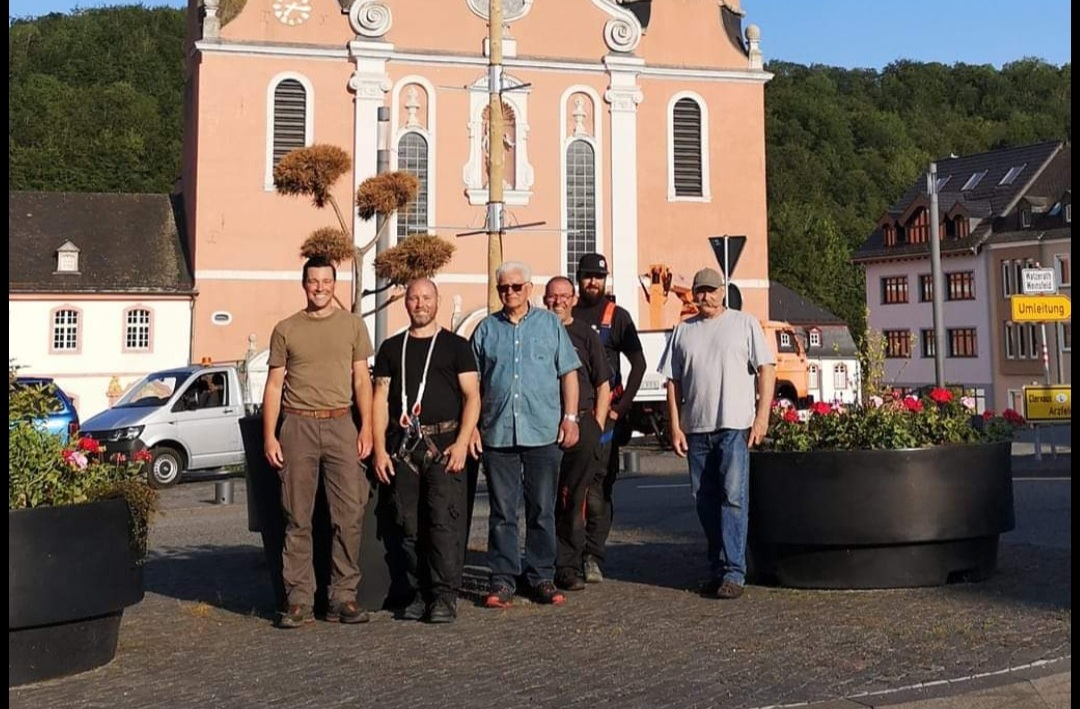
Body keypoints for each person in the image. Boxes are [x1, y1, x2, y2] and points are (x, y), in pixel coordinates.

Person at [262, 255, 375, 628]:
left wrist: (367, 427)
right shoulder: (286, 329)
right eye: (313, 281)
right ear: (304, 284)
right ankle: (298, 600)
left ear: (334, 284)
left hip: (341, 423)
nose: (320, 288)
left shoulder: (353, 325)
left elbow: (362, 380)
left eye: (326, 281)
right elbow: (274, 385)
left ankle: (343, 597)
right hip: (297, 426)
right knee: (297, 516)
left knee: (349, 514)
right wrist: (269, 435)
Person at [659, 267, 776, 600]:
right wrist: (675, 425)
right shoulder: (683, 331)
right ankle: (717, 568)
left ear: (723, 291)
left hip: (734, 426)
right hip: (696, 428)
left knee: (733, 499)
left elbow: (766, 369)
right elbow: (673, 382)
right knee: (704, 502)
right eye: (700, 291)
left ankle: (734, 572)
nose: (705, 296)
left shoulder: (744, 324)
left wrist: (762, 417)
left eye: (711, 290)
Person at [470, 261, 582, 608]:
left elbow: (568, 373)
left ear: (529, 289)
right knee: (502, 512)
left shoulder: (550, 325)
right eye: (503, 287)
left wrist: (570, 418)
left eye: (516, 287)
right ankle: (502, 579)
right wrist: (471, 427)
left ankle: (541, 576)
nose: (510, 293)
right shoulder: (486, 330)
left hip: (543, 432)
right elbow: (472, 384)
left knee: (542, 510)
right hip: (498, 434)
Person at [371, 278, 480, 624]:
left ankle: (445, 596)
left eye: (427, 298)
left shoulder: (456, 346)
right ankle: (420, 592)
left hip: (444, 446)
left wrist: (462, 442)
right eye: (414, 298)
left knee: (443, 524)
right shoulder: (391, 348)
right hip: (404, 448)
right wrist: (379, 449)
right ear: (406, 302)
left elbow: (472, 397)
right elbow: (379, 400)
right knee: (408, 526)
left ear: (438, 301)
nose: (420, 304)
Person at [571, 252, 646, 584]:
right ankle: (568, 554)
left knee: (598, 491)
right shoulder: (568, 314)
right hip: (572, 416)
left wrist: (621, 408)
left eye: (599, 277)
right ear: (578, 278)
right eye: (588, 276)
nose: (593, 282)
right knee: (569, 489)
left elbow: (639, 365)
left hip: (606, 420)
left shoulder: (617, 317)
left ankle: (592, 556)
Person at [543, 276, 610, 592]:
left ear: (573, 299)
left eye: (564, 296)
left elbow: (602, 383)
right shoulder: (538, 331)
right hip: (545, 426)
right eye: (552, 296)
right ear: (544, 299)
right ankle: (545, 563)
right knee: (546, 498)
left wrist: (596, 426)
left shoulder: (586, 335)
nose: (558, 301)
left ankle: (568, 565)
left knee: (575, 499)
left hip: (582, 425)